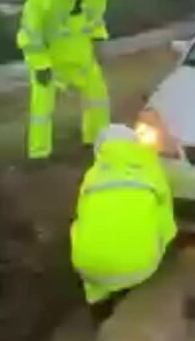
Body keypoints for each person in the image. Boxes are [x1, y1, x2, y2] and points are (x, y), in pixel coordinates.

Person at [70, 124, 177, 327]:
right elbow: (168, 222)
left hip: (89, 268)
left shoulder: (91, 176)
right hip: (138, 269)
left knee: (86, 225)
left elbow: (83, 216)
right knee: (159, 219)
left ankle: (98, 306)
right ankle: (129, 291)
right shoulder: (152, 170)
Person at [16, 0, 113, 159]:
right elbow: (30, 31)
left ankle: (97, 143)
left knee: (99, 99)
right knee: (42, 108)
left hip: (82, 55)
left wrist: (99, 41)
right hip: (50, 58)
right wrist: (40, 64)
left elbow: (95, 19)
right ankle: (39, 153)